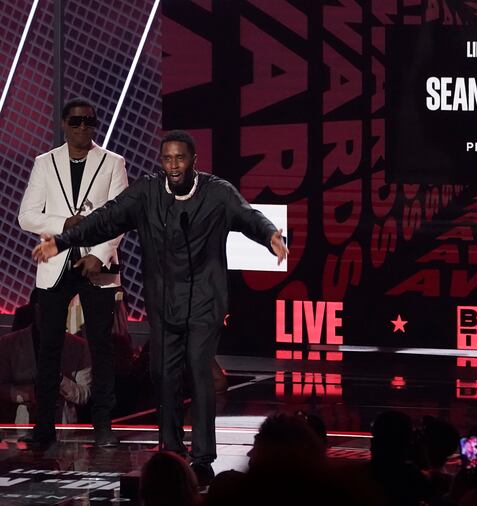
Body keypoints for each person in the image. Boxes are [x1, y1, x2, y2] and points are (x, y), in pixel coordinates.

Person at [31, 130, 288, 485]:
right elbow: (105, 218)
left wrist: (272, 236)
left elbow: (248, 217)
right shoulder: (147, 193)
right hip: (164, 302)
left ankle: (201, 458)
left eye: (179, 158)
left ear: (193, 160)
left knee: (198, 373)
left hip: (204, 302)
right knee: (163, 377)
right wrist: (61, 242)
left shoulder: (217, 193)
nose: (173, 166)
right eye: (167, 159)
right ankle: (171, 450)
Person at [18, 97, 127, 448]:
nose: (83, 127)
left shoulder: (112, 162)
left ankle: (103, 426)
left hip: (98, 265)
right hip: (56, 263)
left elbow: (119, 216)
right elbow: (27, 216)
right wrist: (64, 223)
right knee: (48, 347)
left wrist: (98, 254)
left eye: (89, 122)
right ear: (64, 123)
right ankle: (44, 428)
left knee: (101, 347)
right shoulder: (45, 163)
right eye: (77, 121)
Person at [0, 296, 91, 425]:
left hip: (63, 429)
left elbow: (85, 394)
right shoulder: (9, 343)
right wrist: (31, 393)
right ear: (36, 309)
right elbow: (1, 386)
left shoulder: (79, 347)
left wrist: (59, 380)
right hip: (24, 426)